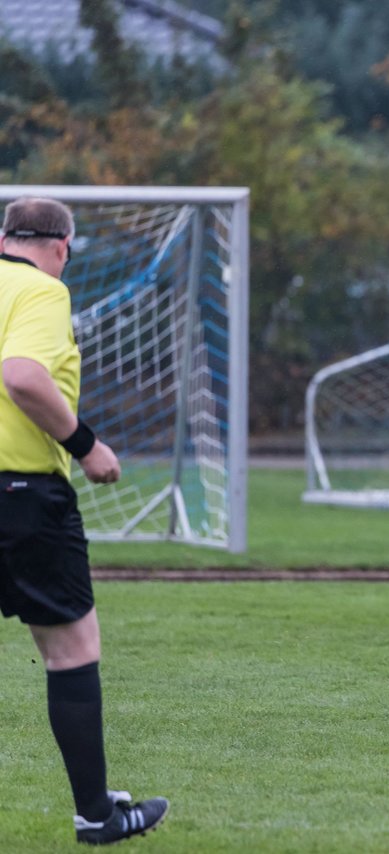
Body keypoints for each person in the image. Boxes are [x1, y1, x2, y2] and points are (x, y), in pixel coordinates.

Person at [1, 197, 170, 844]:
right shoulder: (41, 290)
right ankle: (96, 813)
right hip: (20, 497)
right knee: (71, 649)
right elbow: (21, 376)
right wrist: (88, 446)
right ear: (63, 248)